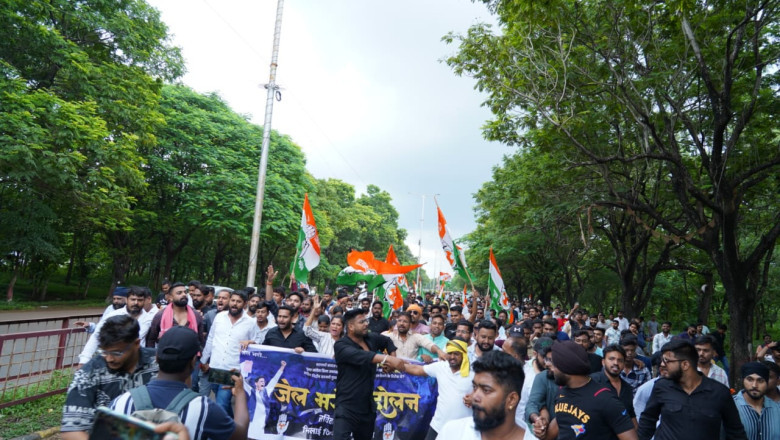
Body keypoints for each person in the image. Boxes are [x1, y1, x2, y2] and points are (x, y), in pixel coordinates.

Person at [111, 326, 247, 440]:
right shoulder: (204, 408)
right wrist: (240, 394)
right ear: (194, 361)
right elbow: (240, 434)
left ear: (157, 358)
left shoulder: (121, 403)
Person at [61, 316, 158, 440]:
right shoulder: (89, 374)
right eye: (104, 352)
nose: (109, 358)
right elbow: (72, 431)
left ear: (136, 343)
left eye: (117, 353)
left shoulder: (157, 363)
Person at [637, 339, 747, 440]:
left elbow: (736, 432)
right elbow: (647, 422)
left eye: (667, 361)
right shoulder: (661, 387)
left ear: (685, 365)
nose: (662, 364)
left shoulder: (720, 392)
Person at [535, 340, 637, 440]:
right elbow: (561, 421)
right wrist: (542, 430)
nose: (548, 366)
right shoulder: (561, 392)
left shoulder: (605, 399)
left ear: (565, 367)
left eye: (554, 363)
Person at [333, 308, 403, 440]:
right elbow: (362, 356)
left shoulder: (370, 338)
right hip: (346, 406)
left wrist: (391, 360)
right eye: (362, 322)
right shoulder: (341, 345)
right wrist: (387, 359)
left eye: (366, 320)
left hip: (367, 407)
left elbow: (387, 342)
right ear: (351, 327)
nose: (366, 324)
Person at [438, 350, 535, 440]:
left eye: (486, 390)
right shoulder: (452, 432)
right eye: (475, 387)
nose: (475, 396)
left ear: (511, 400)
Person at [404, 338, 476, 440]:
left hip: (463, 429)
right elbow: (417, 369)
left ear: (464, 354)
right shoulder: (441, 367)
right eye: (449, 353)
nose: (452, 357)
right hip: (438, 426)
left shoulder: (475, 372)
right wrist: (396, 365)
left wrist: (475, 397)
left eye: (456, 354)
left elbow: (487, 391)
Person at [200, 290, 256, 416]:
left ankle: (222, 433)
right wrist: (204, 360)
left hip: (232, 370)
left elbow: (254, 347)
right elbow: (210, 338)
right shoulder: (219, 317)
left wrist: (245, 371)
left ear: (245, 304)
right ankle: (234, 425)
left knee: (221, 403)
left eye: (238, 302)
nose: (234, 304)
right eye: (233, 301)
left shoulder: (251, 322)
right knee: (223, 403)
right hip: (215, 367)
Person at [76, 286, 153, 365]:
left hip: (135, 363)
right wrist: (84, 360)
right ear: (126, 300)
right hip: (112, 361)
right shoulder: (113, 315)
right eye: (133, 299)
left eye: (140, 300)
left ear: (144, 301)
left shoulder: (150, 318)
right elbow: (96, 336)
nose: (136, 303)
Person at [591, 345, 638, 429]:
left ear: (623, 364)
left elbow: (631, 415)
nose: (616, 363)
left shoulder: (627, 388)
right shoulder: (592, 382)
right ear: (603, 362)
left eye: (620, 360)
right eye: (611, 359)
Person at [147, 282, 205, 348]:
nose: (184, 294)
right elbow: (151, 339)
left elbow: (201, 341)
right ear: (170, 298)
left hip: (190, 356)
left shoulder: (196, 315)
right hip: (166, 356)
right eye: (179, 293)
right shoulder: (160, 315)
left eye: (185, 292)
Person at [732, 362, 780, 440]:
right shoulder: (730, 406)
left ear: (767, 383)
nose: (754, 385)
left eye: (760, 381)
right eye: (750, 379)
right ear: (743, 380)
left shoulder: (777, 409)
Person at [240, 359, 286, 440]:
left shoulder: (266, 391)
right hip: (251, 419)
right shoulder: (251, 391)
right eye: (261, 381)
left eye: (264, 382)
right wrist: (247, 362)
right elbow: (242, 381)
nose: (263, 383)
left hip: (262, 421)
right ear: (256, 383)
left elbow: (274, 380)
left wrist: (282, 367)